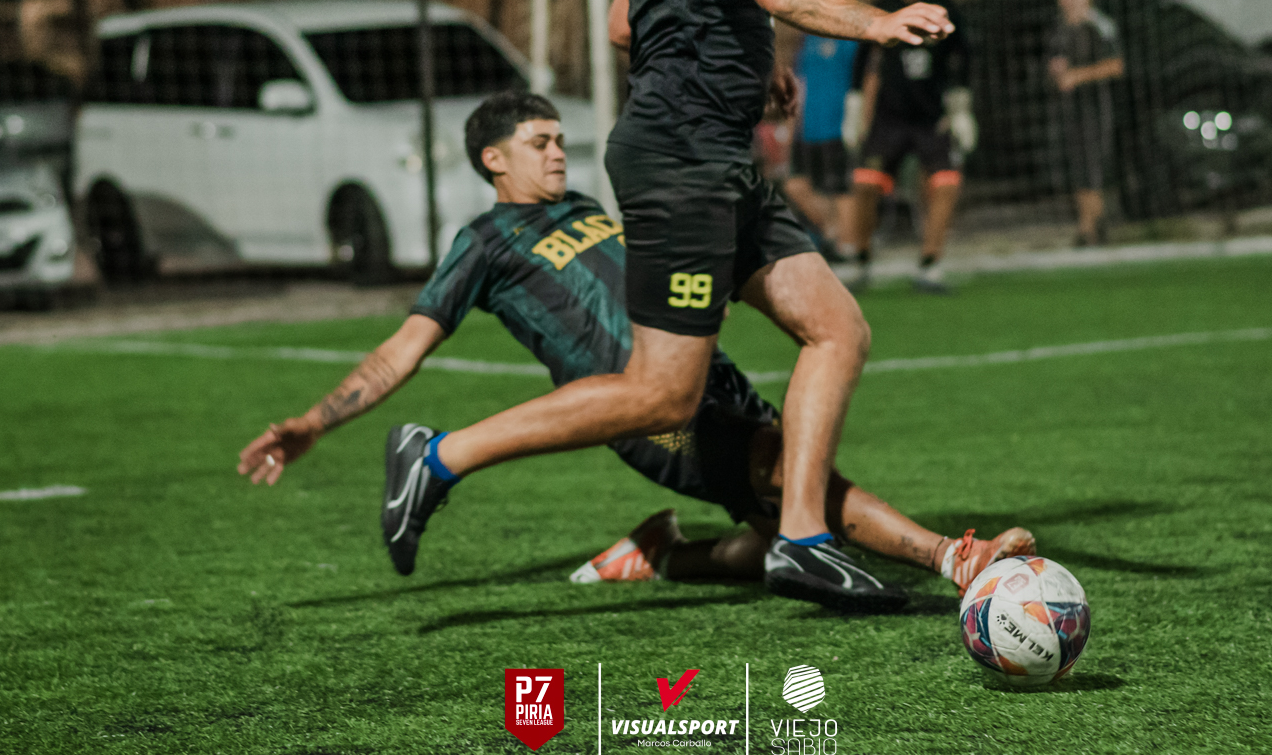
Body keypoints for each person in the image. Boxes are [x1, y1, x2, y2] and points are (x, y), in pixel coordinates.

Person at [356, 0, 953, 613]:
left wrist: (745, 67)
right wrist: (879, 22)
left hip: (714, 159)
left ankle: (803, 540)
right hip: (682, 163)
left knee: (837, 328)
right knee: (663, 393)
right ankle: (438, 456)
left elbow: (622, 22)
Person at [238, 93, 1034, 601]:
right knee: (787, 476)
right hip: (648, 412)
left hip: (709, 376)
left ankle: (664, 554)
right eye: (539, 141)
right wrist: (316, 420)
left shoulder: (586, 204)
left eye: (559, 138)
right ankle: (954, 558)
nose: (558, 151)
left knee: (770, 527)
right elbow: (402, 348)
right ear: (493, 159)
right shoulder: (483, 240)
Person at [841, 0, 974, 293]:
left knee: (946, 183)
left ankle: (930, 265)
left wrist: (961, 108)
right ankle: (861, 261)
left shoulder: (945, 7)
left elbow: (964, 56)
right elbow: (861, 59)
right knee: (865, 184)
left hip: (933, 119)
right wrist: (855, 108)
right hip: (889, 119)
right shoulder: (881, 6)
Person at [1047, 0, 1124, 246]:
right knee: (1077, 167)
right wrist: (1056, 71)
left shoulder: (1099, 25)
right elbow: (1056, 65)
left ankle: (1092, 228)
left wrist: (1078, 76)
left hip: (1094, 106)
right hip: (1069, 108)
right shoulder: (1060, 28)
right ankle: (1089, 225)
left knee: (1092, 167)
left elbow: (1115, 65)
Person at [782, 33, 856, 256]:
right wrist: (791, 127)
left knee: (840, 189)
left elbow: (866, 79)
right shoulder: (806, 40)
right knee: (796, 186)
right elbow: (798, 85)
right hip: (806, 128)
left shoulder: (848, 39)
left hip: (837, 125)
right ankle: (832, 235)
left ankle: (847, 246)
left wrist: (857, 121)